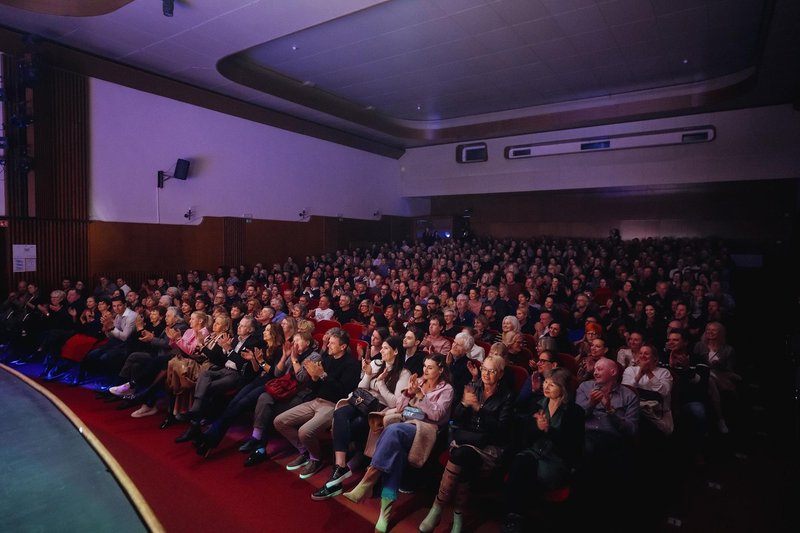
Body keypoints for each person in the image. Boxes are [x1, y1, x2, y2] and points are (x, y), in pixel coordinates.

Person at [343, 354, 454, 533]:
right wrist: (410, 392)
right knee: (396, 455)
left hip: (425, 430)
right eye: (424, 366)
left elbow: (437, 415)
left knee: (392, 431)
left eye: (430, 367)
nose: (425, 370)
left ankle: (367, 481)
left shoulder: (446, 389)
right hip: (405, 423)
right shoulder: (418, 382)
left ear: (441, 370)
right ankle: (384, 515)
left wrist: (421, 397)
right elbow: (401, 407)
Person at [418, 354, 513, 533]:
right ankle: (456, 515)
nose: (485, 374)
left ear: (500, 374)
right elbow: (457, 417)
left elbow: (501, 430)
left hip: (488, 446)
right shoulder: (474, 387)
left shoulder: (506, 395)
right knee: (464, 457)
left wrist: (478, 409)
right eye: (484, 369)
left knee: (461, 456)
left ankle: (437, 508)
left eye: (491, 371)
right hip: (467, 439)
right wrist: (463, 403)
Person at [311, 336, 411, 500]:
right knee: (340, 413)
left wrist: (380, 384)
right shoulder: (376, 364)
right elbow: (361, 388)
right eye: (383, 348)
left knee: (356, 424)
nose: (382, 351)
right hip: (363, 403)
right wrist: (367, 375)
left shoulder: (403, 373)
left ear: (396, 351)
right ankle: (341, 465)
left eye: (386, 348)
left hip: (380, 410)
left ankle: (350, 468)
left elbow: (396, 402)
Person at [502, 367, 584, 533]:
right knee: (520, 462)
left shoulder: (575, 413)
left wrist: (549, 430)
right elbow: (526, 439)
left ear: (563, 389)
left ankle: (517, 516)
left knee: (526, 473)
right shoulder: (537, 404)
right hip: (533, 452)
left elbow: (572, 447)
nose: (546, 387)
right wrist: (537, 428)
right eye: (546, 382)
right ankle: (515, 517)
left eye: (552, 385)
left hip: (556, 459)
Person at [274, 328, 361, 479]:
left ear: (343, 346)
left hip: (333, 405)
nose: (328, 346)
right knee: (280, 421)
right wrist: (314, 378)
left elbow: (343, 391)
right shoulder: (326, 359)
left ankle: (316, 458)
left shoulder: (351, 364)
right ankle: (305, 451)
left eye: (332, 343)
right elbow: (314, 387)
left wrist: (322, 375)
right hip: (316, 400)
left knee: (304, 431)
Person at [576, 357, 639, 477]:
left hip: (613, 437)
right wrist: (591, 403)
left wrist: (610, 410)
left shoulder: (629, 395)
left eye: (599, 369)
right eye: (594, 369)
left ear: (613, 372)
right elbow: (576, 417)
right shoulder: (585, 387)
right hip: (587, 434)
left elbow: (632, 430)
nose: (594, 372)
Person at [693, 321, 739, 434]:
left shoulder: (729, 350)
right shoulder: (699, 345)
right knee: (709, 377)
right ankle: (719, 418)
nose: (710, 332)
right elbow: (694, 364)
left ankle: (720, 419)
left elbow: (730, 370)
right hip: (703, 376)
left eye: (713, 330)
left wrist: (720, 366)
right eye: (708, 330)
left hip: (721, 376)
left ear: (721, 333)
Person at [622, 344, 674, 437]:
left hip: (657, 414)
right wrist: (639, 375)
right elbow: (625, 392)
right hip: (634, 410)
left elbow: (664, 392)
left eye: (646, 354)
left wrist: (648, 373)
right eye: (640, 353)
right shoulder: (630, 370)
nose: (642, 356)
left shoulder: (664, 372)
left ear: (654, 358)